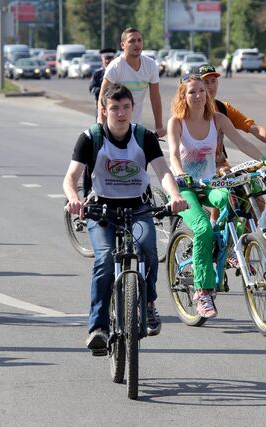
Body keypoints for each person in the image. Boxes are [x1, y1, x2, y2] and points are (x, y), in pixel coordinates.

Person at [63, 84, 187, 353]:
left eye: (126, 107)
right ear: (104, 110)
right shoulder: (90, 138)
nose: (121, 114)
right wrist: (74, 198)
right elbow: (70, 178)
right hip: (101, 210)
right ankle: (98, 328)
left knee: (147, 250)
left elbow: (163, 172)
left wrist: (174, 196)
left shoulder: (143, 136)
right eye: (115, 108)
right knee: (105, 259)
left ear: (132, 108)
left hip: (138, 207)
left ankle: (149, 303)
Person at [168, 74, 266, 319]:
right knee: (202, 229)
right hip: (186, 187)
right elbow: (172, 155)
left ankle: (230, 248)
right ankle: (202, 291)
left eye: (202, 91)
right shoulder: (177, 122)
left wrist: (265, 162)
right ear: (183, 96)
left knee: (240, 201)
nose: (198, 96)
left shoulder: (218, 119)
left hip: (212, 184)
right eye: (192, 92)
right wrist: (181, 173)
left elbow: (242, 143)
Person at [196, 63, 266, 169]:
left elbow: (254, 131)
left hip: (220, 168)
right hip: (195, 170)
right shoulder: (185, 113)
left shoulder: (222, 109)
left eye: (214, 81)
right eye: (206, 82)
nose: (211, 87)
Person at [97, 28, 165, 137]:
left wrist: (159, 126)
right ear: (123, 45)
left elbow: (155, 97)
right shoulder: (116, 67)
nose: (137, 44)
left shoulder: (150, 65)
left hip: (136, 126)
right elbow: (102, 97)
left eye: (139, 40)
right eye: (132, 41)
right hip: (114, 127)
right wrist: (101, 124)